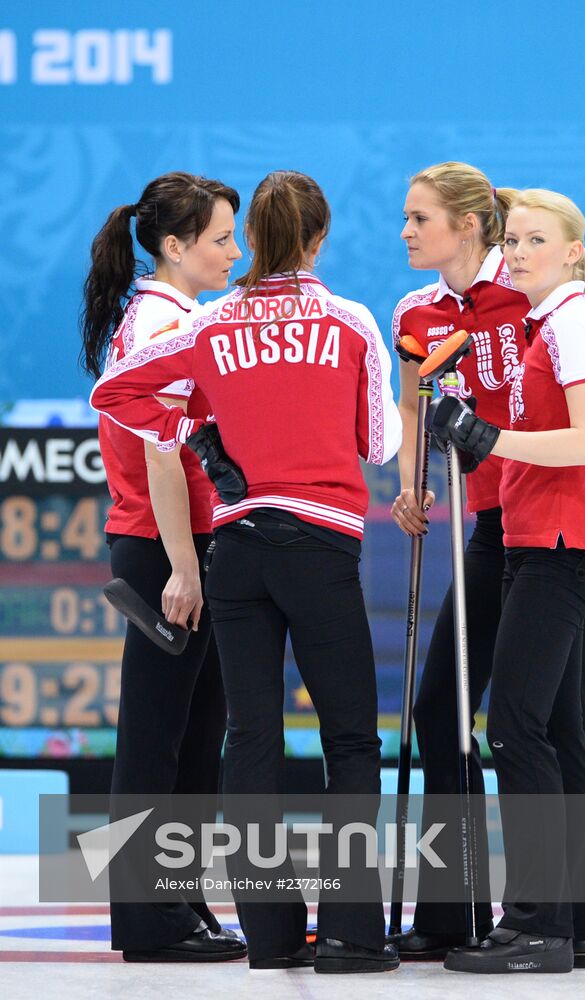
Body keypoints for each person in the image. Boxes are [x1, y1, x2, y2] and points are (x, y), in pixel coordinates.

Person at [91, 170, 404, 973]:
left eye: (237, 236)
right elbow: (379, 444)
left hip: (229, 547)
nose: (230, 250)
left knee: (239, 739)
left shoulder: (209, 320)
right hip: (283, 544)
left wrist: (202, 433)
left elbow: (113, 393)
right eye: (216, 237)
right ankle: (346, 934)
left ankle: (265, 935)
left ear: (259, 237)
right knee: (344, 740)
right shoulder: (347, 319)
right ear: (318, 238)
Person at [389, 162, 585, 966]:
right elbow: (415, 403)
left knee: (550, 724)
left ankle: (561, 920)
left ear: (467, 224)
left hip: (553, 529)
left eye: (419, 218)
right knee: (453, 712)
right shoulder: (419, 310)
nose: (404, 232)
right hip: (501, 524)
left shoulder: (541, 296)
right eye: (515, 239)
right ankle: (463, 912)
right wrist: (413, 480)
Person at [429, 188, 585, 972]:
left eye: (533, 240)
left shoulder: (572, 325)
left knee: (516, 726)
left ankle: (536, 925)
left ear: (571, 252)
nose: (515, 253)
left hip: (557, 550)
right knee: (553, 728)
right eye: (510, 240)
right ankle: (570, 926)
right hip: (557, 542)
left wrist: (487, 436)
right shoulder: (549, 324)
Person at [80, 171, 246, 963]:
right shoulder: (162, 322)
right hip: (162, 548)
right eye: (221, 238)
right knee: (153, 740)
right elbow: (157, 455)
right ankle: (149, 920)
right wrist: (183, 566)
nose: (235, 253)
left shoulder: (172, 313)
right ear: (174, 246)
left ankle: (182, 905)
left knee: (193, 735)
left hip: (186, 544)